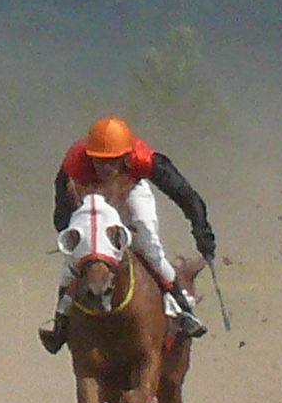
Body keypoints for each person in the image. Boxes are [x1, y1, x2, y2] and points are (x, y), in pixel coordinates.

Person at [40, 116, 216, 352]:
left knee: (148, 244)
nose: (105, 169)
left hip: (132, 187)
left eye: (112, 162)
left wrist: (202, 232)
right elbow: (61, 204)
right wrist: (70, 235)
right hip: (90, 192)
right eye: (99, 162)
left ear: (126, 156)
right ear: (89, 156)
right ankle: (60, 322)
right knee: (77, 253)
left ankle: (183, 309)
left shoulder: (145, 160)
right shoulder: (75, 162)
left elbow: (186, 196)